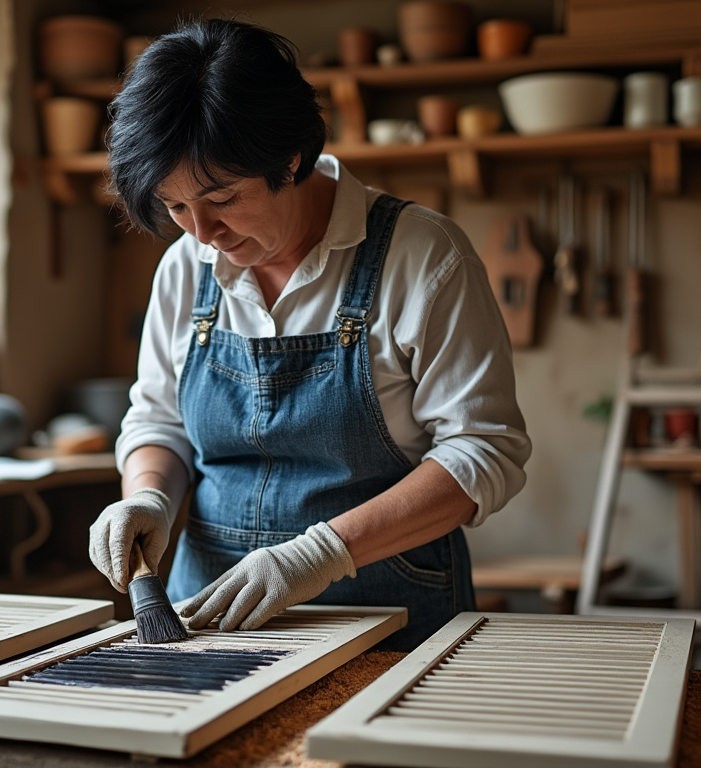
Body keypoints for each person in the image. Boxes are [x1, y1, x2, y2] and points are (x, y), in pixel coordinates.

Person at [88, 18, 530, 651]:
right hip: (208, 620)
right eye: (177, 207)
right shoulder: (186, 268)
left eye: (223, 198)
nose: (202, 233)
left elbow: (483, 449)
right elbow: (160, 421)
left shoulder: (423, 256)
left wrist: (321, 553)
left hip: (387, 619)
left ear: (289, 158)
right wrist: (149, 498)